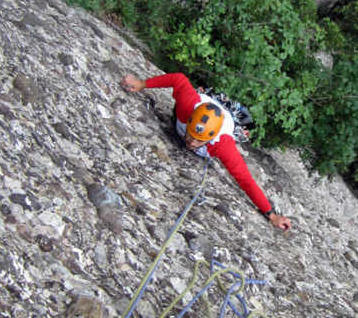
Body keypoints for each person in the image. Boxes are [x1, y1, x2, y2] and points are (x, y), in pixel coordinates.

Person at [121, 73, 292, 231]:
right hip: (202, 105)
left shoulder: (223, 145)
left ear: (210, 139)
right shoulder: (187, 106)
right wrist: (142, 84)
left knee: (241, 127)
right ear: (189, 120)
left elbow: (245, 179)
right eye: (191, 136)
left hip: (225, 121)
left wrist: (272, 215)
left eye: (198, 140)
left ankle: (234, 113)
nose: (191, 143)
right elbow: (178, 79)